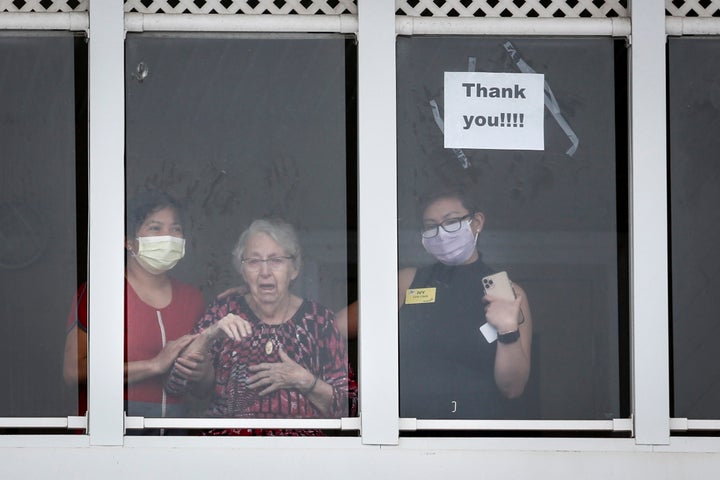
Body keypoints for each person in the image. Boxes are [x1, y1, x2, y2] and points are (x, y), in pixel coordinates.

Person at [166, 218, 353, 435]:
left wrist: (303, 380)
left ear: (294, 269)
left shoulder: (319, 321)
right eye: (254, 261)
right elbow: (177, 385)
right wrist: (209, 335)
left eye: (276, 261)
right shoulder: (223, 311)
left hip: (300, 455)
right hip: (229, 450)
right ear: (242, 271)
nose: (265, 272)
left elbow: (348, 408)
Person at [63, 191, 205, 421]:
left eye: (176, 229)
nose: (167, 237)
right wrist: (153, 366)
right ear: (128, 241)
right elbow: (73, 371)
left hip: (175, 433)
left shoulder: (192, 298)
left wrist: (203, 374)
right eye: (155, 228)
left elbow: (204, 388)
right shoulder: (101, 293)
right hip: (112, 431)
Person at [398, 186, 532, 419]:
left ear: (476, 222)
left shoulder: (506, 292)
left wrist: (507, 329)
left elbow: (513, 389)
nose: (441, 233)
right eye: (431, 226)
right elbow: (333, 328)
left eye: (451, 222)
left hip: (476, 434)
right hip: (408, 430)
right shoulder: (409, 281)